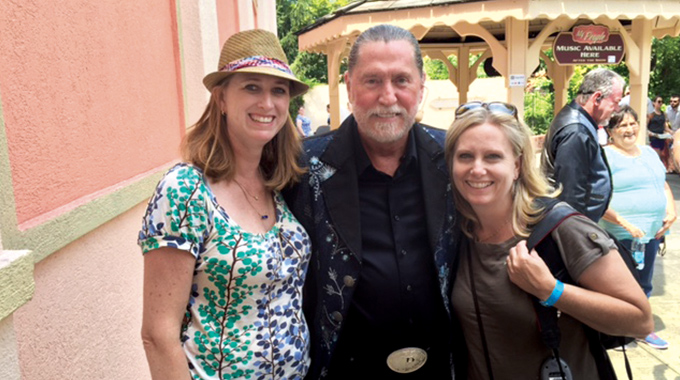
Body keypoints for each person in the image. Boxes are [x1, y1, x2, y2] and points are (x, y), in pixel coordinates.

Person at [283, 24, 462, 379]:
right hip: (344, 371)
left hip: (442, 368)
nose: (388, 97)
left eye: (401, 80)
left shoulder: (455, 159)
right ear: (349, 85)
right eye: (372, 81)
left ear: (420, 87)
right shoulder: (302, 168)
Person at [138, 29, 312, 380]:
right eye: (251, 87)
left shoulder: (277, 184)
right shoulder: (186, 190)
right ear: (220, 99)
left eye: (278, 90)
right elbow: (158, 335)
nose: (267, 103)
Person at [445, 102, 653, 379]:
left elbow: (640, 320)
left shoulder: (561, 228)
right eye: (465, 156)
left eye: (493, 157)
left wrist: (551, 291)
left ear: (517, 165)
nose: (477, 169)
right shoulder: (456, 236)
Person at [600, 105, 676, 349]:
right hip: (619, 234)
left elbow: (662, 185)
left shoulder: (649, 153)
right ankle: (616, 332)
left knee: (644, 283)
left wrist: (672, 211)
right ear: (611, 132)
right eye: (622, 125)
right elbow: (596, 197)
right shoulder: (604, 156)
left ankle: (642, 328)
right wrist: (624, 223)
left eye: (633, 123)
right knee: (618, 286)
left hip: (651, 233)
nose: (629, 129)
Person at [541, 68, 625, 221]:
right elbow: (570, 192)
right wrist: (577, 231)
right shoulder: (576, 130)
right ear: (597, 98)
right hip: (573, 224)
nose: (617, 109)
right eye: (616, 102)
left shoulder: (579, 123)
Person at [648, 95, 673, 172]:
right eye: (658, 102)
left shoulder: (663, 114)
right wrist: (651, 133)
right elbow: (645, 127)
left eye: (661, 102)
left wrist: (671, 132)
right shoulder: (651, 114)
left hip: (662, 136)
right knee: (657, 155)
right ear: (654, 103)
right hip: (654, 137)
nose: (660, 103)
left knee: (664, 155)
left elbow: (665, 126)